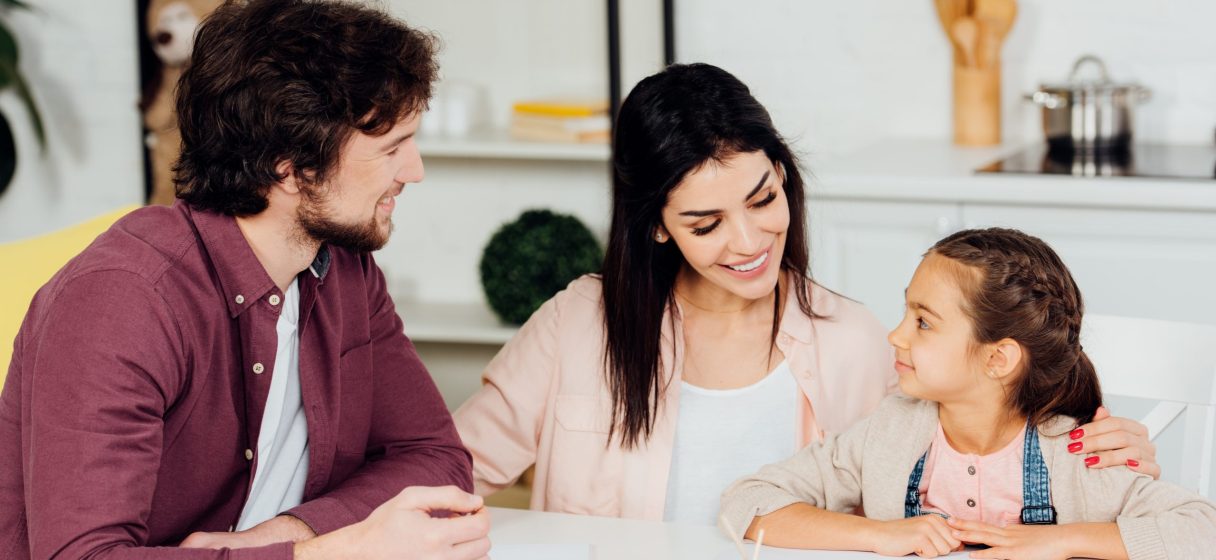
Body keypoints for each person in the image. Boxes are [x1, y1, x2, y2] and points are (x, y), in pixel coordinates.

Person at [453, 63, 1158, 525]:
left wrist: (1100, 454)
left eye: (764, 198)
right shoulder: (577, 324)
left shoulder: (853, 339)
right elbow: (450, 473)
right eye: (705, 224)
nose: (748, 241)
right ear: (658, 227)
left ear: (784, 175)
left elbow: (975, 458)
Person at [0, 1, 490, 558]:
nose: (414, 170)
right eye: (391, 148)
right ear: (289, 167)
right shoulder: (123, 302)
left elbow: (435, 456)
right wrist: (335, 552)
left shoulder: (345, 268)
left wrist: (284, 536)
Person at [720, 228, 1216, 559]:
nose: (895, 335)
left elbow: (1204, 530)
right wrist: (881, 534)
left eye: (923, 322)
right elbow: (747, 501)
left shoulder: (1075, 456)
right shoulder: (889, 433)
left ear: (998, 359)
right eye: (906, 313)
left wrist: (1060, 542)